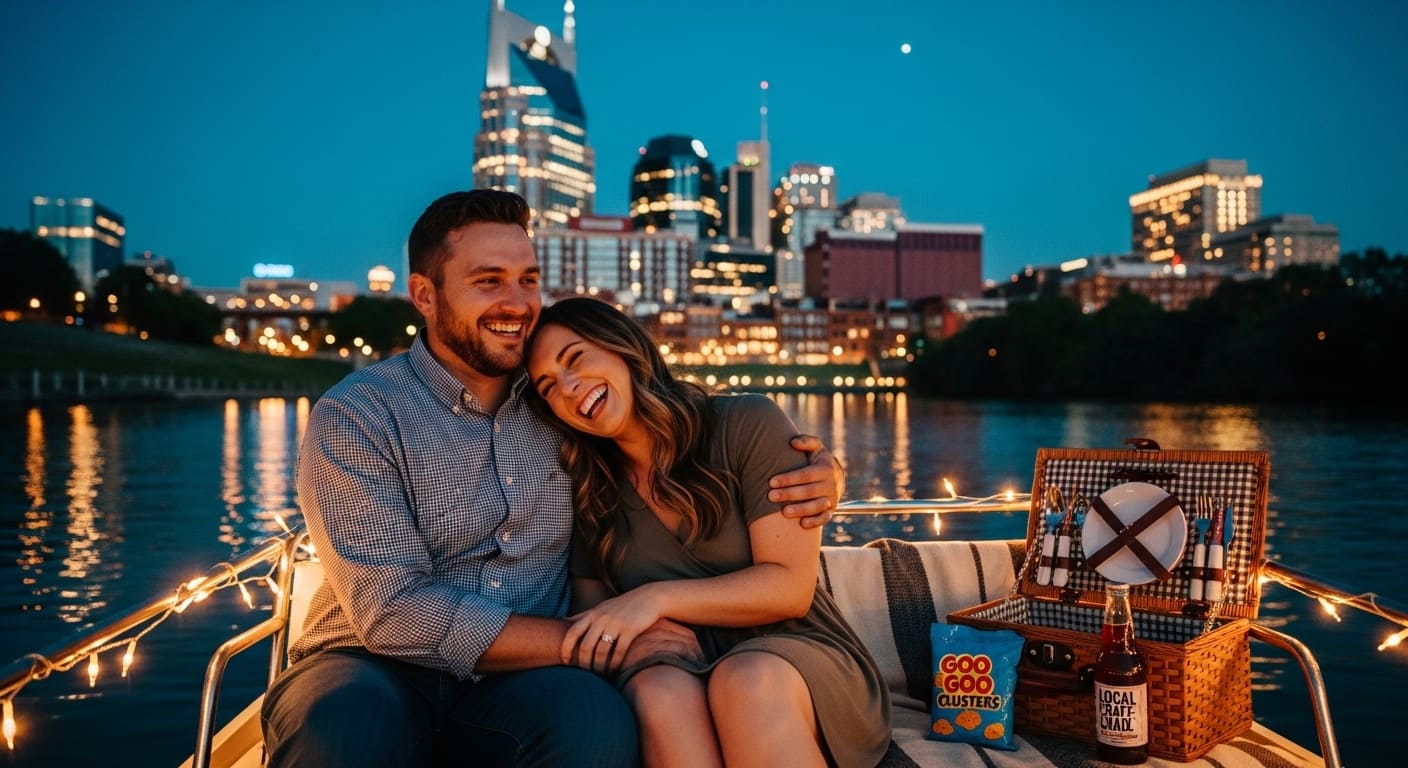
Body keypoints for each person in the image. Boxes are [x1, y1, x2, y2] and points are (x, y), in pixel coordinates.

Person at [260, 189, 844, 767]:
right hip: (374, 663)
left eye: (528, 279)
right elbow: (391, 612)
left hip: (525, 677)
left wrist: (821, 471)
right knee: (342, 731)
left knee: (594, 727)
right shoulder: (358, 415)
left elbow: (671, 431)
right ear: (424, 295)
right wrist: (583, 639)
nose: (516, 302)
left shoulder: (563, 412)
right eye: (488, 281)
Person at [523, 296, 891, 768]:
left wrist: (653, 599)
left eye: (575, 358)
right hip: (672, 658)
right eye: (548, 387)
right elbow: (596, 610)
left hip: (795, 652)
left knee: (746, 681)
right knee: (657, 693)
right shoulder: (590, 488)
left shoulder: (746, 422)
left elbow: (789, 589)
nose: (569, 389)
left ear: (623, 347)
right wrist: (635, 634)